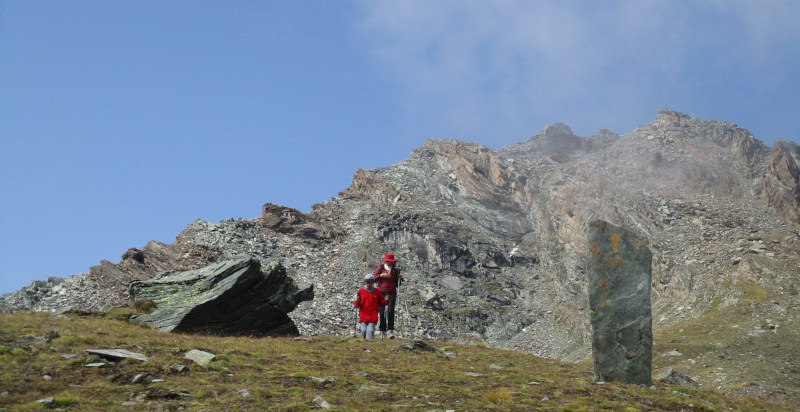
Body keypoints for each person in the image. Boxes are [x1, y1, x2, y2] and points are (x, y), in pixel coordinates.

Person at [374, 253, 404, 339]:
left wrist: (400, 279)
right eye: (389, 261)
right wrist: (381, 275)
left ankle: (390, 330)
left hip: (391, 292)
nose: (390, 263)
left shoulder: (395, 270)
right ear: (386, 261)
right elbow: (373, 278)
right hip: (381, 292)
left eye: (391, 262)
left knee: (390, 311)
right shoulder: (380, 268)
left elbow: (398, 284)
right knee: (382, 311)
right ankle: (382, 330)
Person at [353, 274, 385, 339]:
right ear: (365, 282)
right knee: (363, 331)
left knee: (370, 331)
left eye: (370, 283)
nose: (368, 284)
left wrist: (386, 301)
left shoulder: (377, 291)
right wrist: (356, 301)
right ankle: (364, 347)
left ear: (373, 283)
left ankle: (369, 347)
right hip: (363, 316)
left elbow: (382, 302)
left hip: (373, 317)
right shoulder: (361, 291)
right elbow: (356, 305)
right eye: (367, 282)